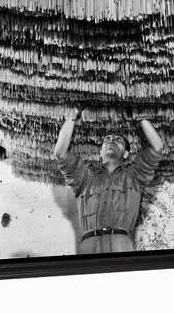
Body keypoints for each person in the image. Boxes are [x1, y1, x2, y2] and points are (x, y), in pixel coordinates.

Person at [53, 107, 163, 254]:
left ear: (125, 153)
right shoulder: (85, 177)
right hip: (88, 242)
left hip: (121, 242)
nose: (111, 140)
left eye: (118, 140)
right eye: (107, 139)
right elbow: (60, 154)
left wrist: (141, 117)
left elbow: (157, 148)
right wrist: (73, 115)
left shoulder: (134, 176)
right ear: (100, 152)